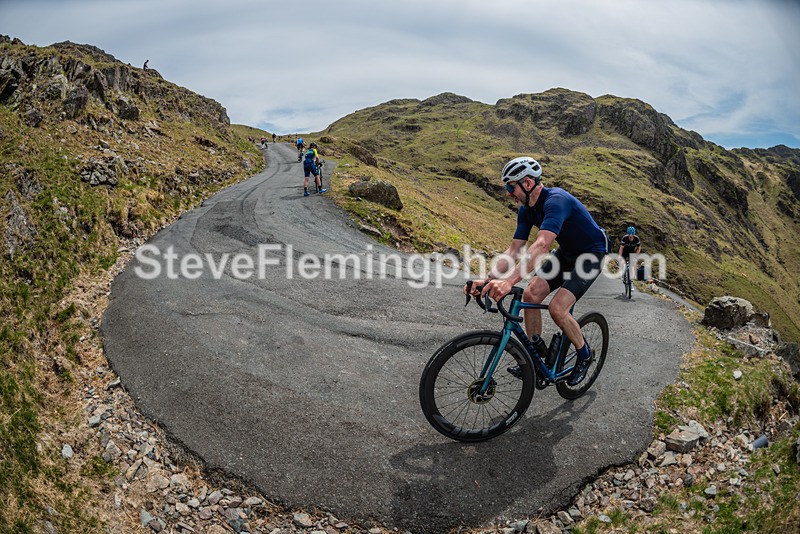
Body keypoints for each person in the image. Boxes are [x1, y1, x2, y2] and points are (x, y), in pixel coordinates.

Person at [466, 157, 607, 386]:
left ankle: (584, 354)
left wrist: (510, 281)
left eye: (511, 187)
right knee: (531, 295)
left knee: (557, 308)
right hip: (567, 253)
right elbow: (513, 250)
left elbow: (541, 246)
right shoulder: (526, 210)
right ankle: (536, 358)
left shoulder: (556, 201)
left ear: (528, 183)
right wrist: (488, 279)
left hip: (591, 254)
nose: (508, 193)